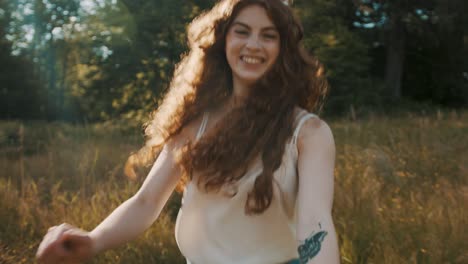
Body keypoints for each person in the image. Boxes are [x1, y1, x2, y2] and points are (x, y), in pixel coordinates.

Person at [36, 0, 340, 263]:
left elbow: (315, 223)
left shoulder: (309, 132)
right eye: (242, 31)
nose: (253, 45)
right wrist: (93, 241)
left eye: (268, 35)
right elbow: (146, 202)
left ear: (283, 49)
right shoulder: (197, 124)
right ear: (223, 39)